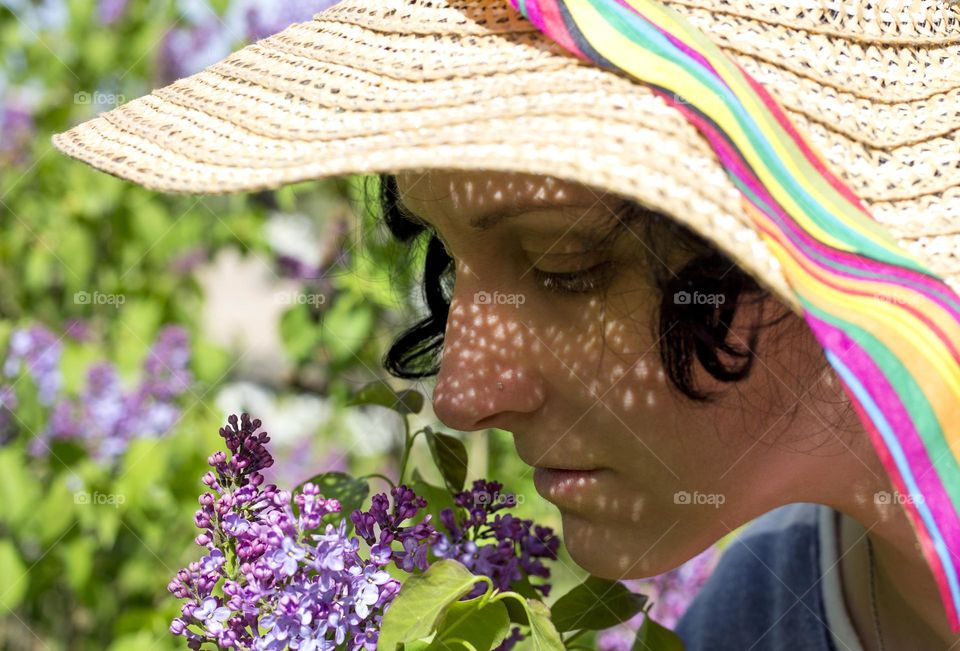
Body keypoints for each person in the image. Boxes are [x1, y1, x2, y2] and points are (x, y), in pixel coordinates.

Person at [51, 0, 960, 648]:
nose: (463, 394)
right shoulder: (756, 612)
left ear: (827, 247)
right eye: (445, 258)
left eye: (568, 267)